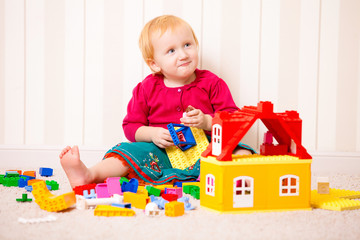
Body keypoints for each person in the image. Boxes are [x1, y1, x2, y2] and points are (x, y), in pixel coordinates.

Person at [60, 15, 254, 189]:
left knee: (242, 152)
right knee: (126, 152)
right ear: (154, 63)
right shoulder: (146, 88)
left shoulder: (212, 83)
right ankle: (88, 174)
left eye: (187, 44)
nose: (183, 54)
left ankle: (234, 180)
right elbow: (131, 126)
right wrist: (152, 134)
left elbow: (233, 120)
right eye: (171, 50)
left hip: (206, 149)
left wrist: (206, 121)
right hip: (160, 153)